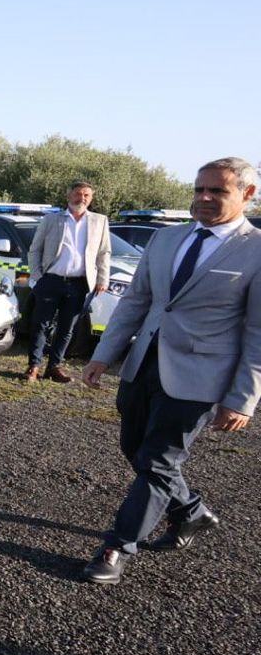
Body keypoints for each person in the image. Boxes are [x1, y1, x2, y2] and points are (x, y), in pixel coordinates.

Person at [80, 157, 261, 584]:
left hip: (201, 377)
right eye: (199, 189)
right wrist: (103, 355)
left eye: (217, 191)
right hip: (143, 365)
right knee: (136, 450)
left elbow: (257, 332)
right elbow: (136, 302)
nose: (203, 198)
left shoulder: (255, 251)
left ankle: (118, 546)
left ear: (247, 195)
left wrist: (242, 398)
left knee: (159, 459)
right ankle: (192, 512)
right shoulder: (166, 239)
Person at [25, 181, 111, 383]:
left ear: (91, 198)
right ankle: (33, 366)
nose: (82, 198)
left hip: (79, 283)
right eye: (78, 194)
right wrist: (37, 278)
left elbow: (104, 252)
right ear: (68, 196)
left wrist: (102, 278)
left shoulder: (100, 221)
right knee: (41, 325)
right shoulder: (52, 219)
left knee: (67, 329)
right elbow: (35, 249)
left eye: (87, 195)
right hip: (50, 281)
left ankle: (54, 367)